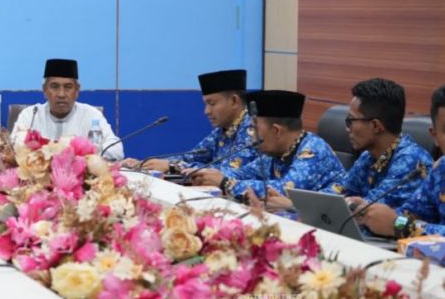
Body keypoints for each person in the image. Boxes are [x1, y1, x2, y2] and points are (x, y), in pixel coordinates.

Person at [189, 90, 346, 200]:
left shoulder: (313, 150)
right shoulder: (274, 153)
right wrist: (205, 175)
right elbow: (241, 173)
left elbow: (284, 189)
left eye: (254, 129)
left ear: (276, 131)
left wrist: (226, 183)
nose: (251, 138)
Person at [323, 78, 432, 210]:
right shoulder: (368, 157)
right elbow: (340, 191)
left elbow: (371, 210)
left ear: (376, 126)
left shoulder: (411, 161)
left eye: (350, 120)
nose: (347, 128)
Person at [360, 85, 445, 238]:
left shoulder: (412, 157)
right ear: (435, 136)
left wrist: (400, 227)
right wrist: (369, 214)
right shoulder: (441, 170)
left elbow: (401, 224)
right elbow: (409, 214)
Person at [137, 69, 259, 173]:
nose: (206, 111)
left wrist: (173, 166)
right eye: (206, 104)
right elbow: (192, 157)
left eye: (212, 103)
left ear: (234, 101)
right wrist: (147, 163)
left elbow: (228, 172)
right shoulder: (222, 130)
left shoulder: (252, 129)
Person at [10, 58, 123, 160]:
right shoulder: (30, 115)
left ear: (77, 90)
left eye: (68, 87)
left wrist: (84, 156)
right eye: (54, 86)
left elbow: (116, 150)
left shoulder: (91, 115)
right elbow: (14, 147)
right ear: (44, 90)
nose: (61, 94)